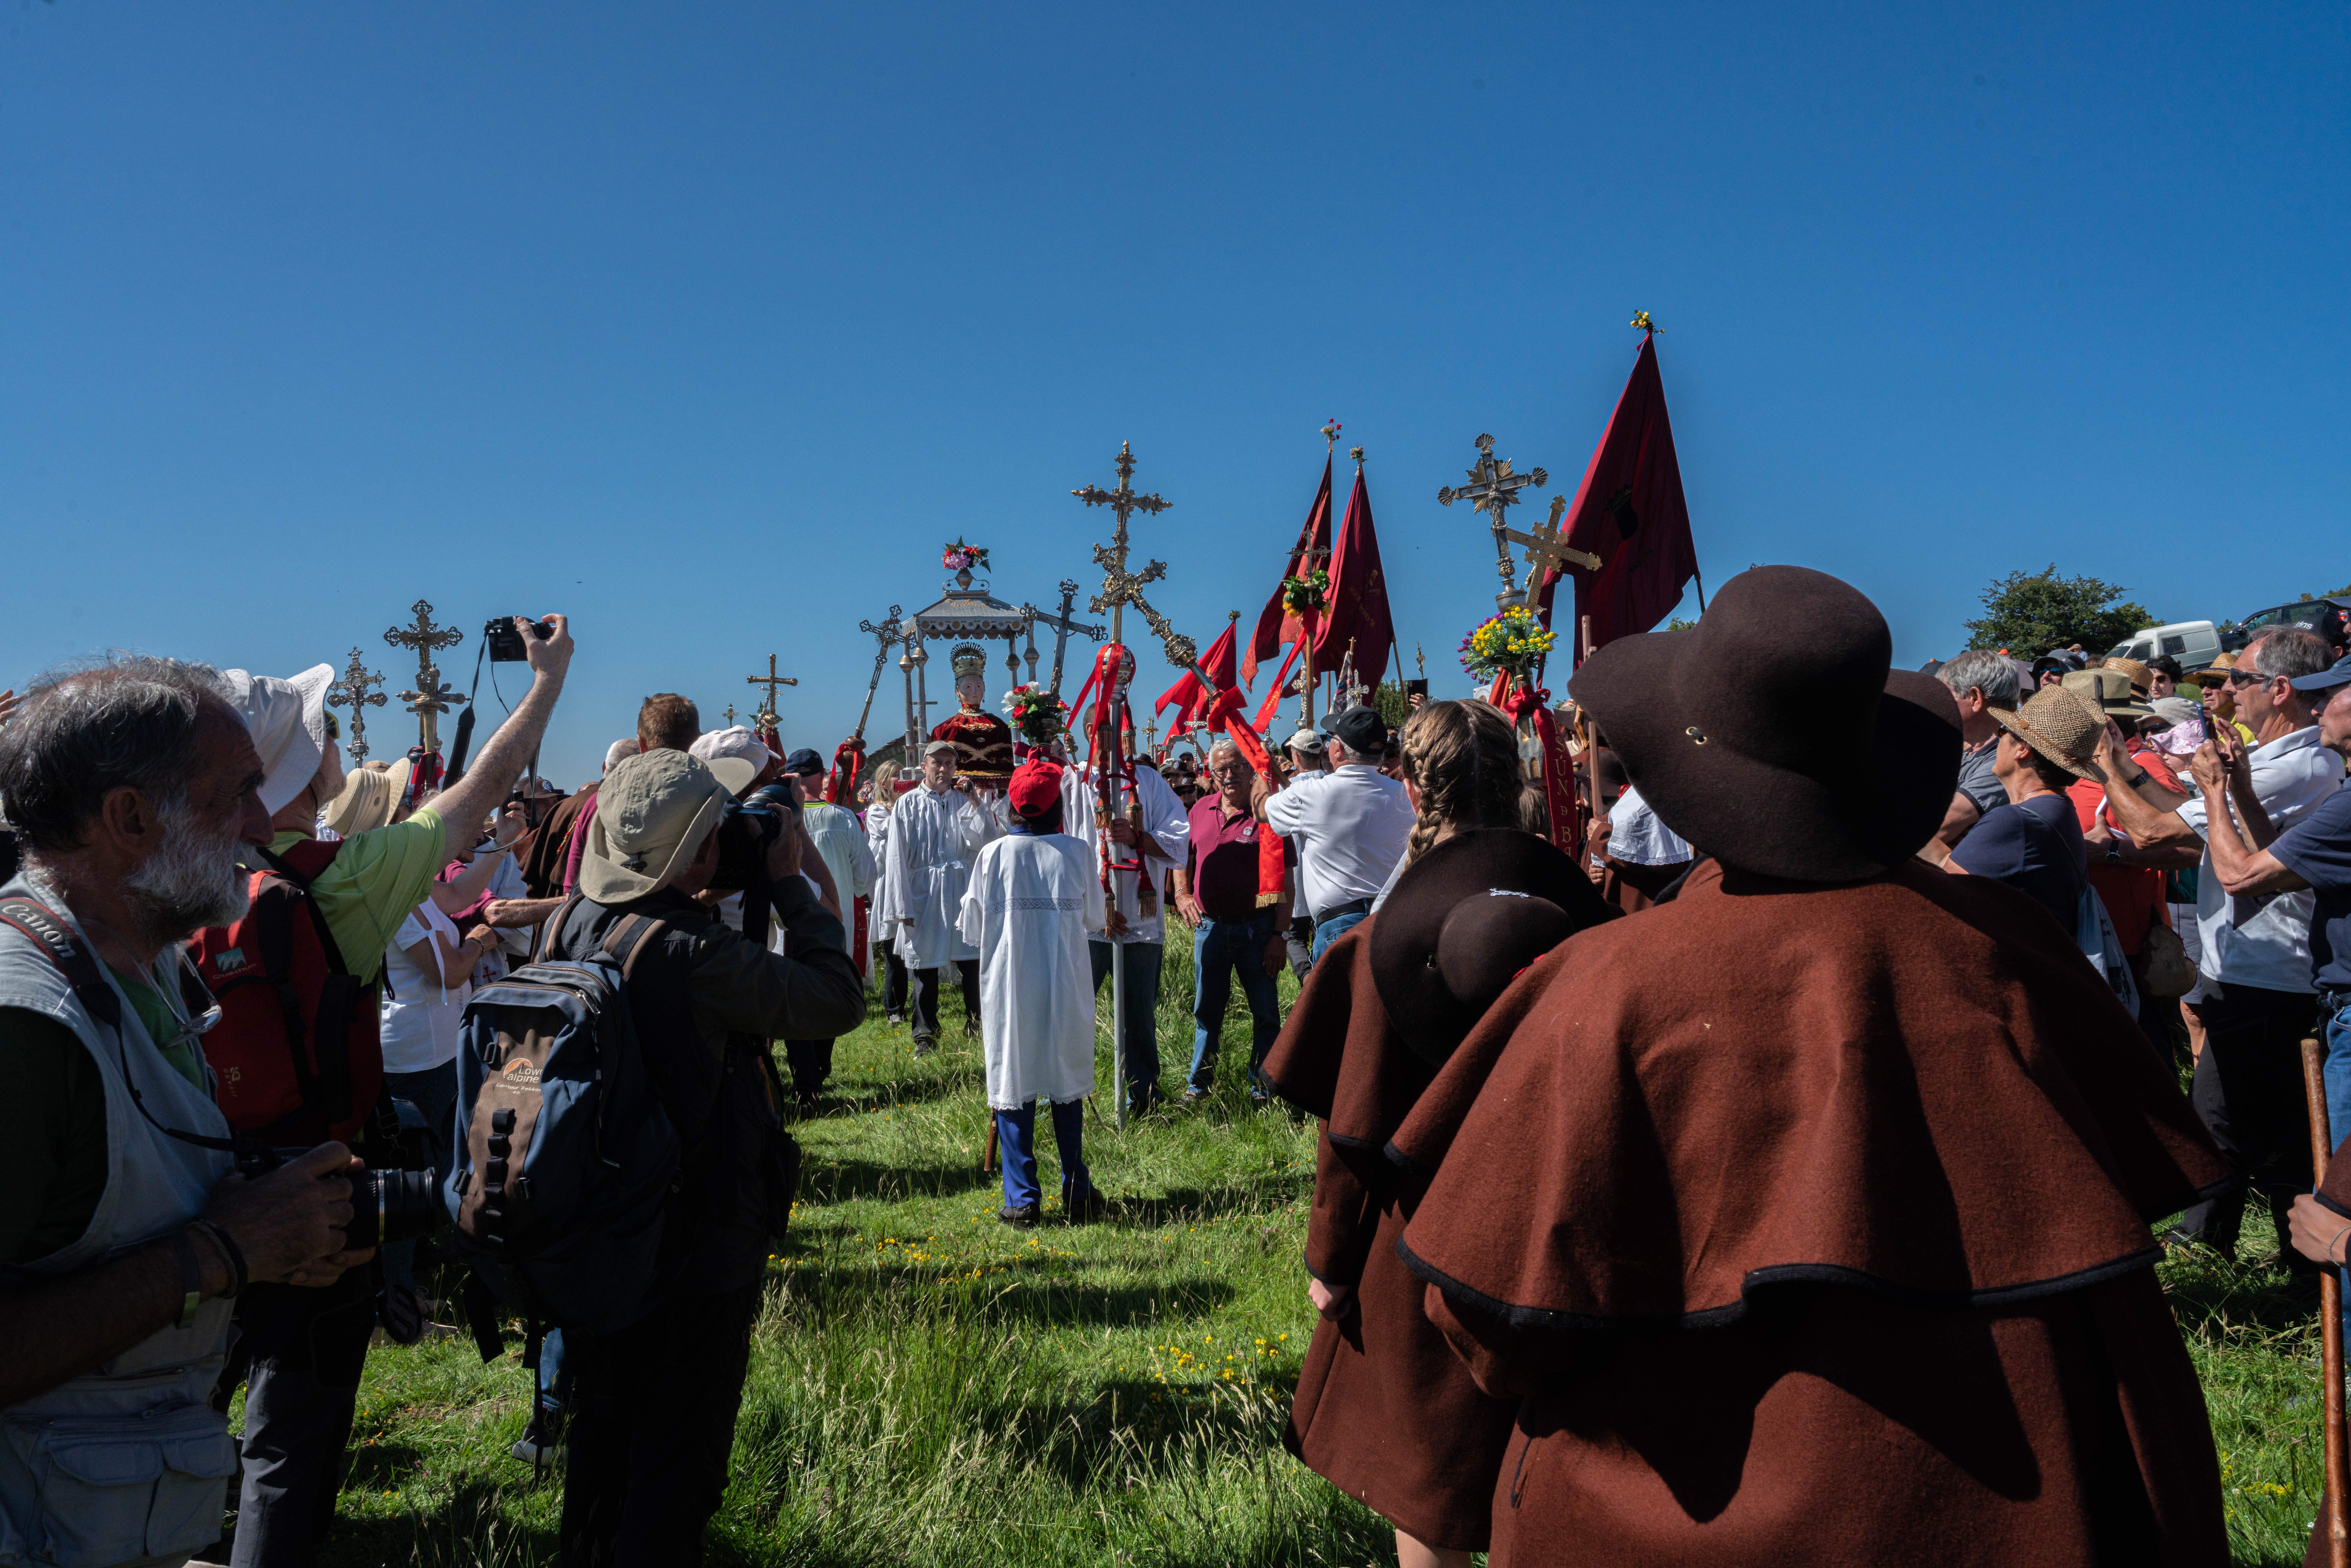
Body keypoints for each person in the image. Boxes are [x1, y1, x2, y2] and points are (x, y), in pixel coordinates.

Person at [1394, 567, 2230, 1565]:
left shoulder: (1605, 985)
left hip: (1679, 1518)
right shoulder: (2006, 944)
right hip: (2037, 1512)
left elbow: (1488, 1314)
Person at [0, 658, 375, 1568]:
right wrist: (221, 1251)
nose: (263, 824)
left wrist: (270, 1221)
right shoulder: (26, 1025)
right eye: (238, 793)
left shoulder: (145, 965)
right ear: (130, 819)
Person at [1264, 699, 1615, 1568]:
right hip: (1569, 1222)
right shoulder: (1590, 924)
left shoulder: (1374, 946)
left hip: (1419, 1234)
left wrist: (1328, 1261)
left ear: (1414, 791)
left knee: (1426, 1467)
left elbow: (1352, 1129)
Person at [551, 746, 863, 1566]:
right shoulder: (697, 955)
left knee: (603, 1434)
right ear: (695, 857)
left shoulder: (569, 922)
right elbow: (837, 999)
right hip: (696, 1235)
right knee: (679, 1457)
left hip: (596, 1224)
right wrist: (789, 883)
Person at [2096, 628, 2346, 1267]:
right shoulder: (2269, 757)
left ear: (2278, 689)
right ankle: (2245, 1247)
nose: (2224, 689)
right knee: (2244, 1118)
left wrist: (2102, 765)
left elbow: (2160, 834)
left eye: (2237, 679)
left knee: (2244, 1122)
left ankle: (2268, 1257)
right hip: (2249, 966)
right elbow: (2188, 824)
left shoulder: (2298, 764)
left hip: (2268, 972)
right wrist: (2129, 765)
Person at [958, 757, 1106, 1227]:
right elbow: (1096, 918)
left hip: (1011, 983)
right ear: (1057, 805)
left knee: (1013, 1079)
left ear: (1012, 808)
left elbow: (972, 928)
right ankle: (1077, 1189)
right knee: (1066, 1080)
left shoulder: (992, 855)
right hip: (1064, 980)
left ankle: (1022, 1199)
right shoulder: (1077, 851)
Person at [1069, 707, 1190, 1116]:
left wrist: (1140, 837)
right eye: (1110, 729)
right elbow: (1062, 849)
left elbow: (1178, 838)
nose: (1121, 737)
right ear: (1091, 731)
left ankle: (1144, 1096)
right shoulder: (1075, 781)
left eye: (1124, 729)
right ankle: (1066, 1094)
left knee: (1139, 1013)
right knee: (1075, 1008)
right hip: (1088, 920)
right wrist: (1095, 906)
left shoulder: (1148, 781)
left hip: (1140, 917)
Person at [1171, 738, 1292, 1103]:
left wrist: (1280, 935)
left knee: (1265, 1012)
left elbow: (1286, 881)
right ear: (1211, 774)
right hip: (1209, 928)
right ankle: (1199, 1085)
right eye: (1221, 769)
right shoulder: (1200, 810)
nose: (1229, 775)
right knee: (1206, 1010)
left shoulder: (1268, 813)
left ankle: (1263, 1087)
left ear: (1249, 769)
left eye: (1236, 767)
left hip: (1258, 929)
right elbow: (1181, 857)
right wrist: (1182, 892)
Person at [1261, 706, 1413, 963]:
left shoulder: (1310, 794)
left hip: (1341, 927)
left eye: (1331, 739)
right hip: (1394, 923)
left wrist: (1262, 765)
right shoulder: (1406, 796)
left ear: (1338, 749)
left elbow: (1262, 811)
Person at [1943, 684, 2095, 929]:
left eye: (2003, 730)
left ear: (2023, 749)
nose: (1997, 738)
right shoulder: (2055, 807)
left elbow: (1947, 885)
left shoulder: (2015, 820)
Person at [877, 740, 996, 1054]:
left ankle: (978, 1026)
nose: (943, 769)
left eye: (949, 763)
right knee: (924, 965)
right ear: (924, 766)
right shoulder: (908, 804)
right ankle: (925, 1034)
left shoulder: (963, 800)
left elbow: (985, 843)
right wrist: (900, 905)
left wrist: (975, 802)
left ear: (956, 768)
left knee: (972, 962)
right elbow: (896, 858)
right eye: (937, 763)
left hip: (961, 890)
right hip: (924, 892)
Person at [780, 746, 876, 1110]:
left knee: (793, 997)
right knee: (828, 991)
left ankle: (804, 1076)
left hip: (786, 922)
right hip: (832, 923)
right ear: (821, 776)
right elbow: (865, 877)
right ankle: (819, 1066)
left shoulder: (774, 814)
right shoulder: (843, 818)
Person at [1926, 648, 2021, 859]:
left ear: (1975, 698)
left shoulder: (2004, 759)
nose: (1937, 704)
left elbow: (1936, 829)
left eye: (1945, 695)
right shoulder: (1947, 747)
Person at [863, 758, 909, 1024]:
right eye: (896, 776)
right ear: (883, 783)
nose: (902, 781)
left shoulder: (907, 807)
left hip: (909, 881)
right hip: (889, 885)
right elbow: (897, 831)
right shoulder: (877, 812)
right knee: (894, 951)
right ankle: (894, 1010)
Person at [929, 645, 1016, 782]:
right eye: (968, 687)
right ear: (958, 691)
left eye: (979, 686)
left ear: (984, 688)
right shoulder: (944, 729)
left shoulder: (1000, 726)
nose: (975, 692)